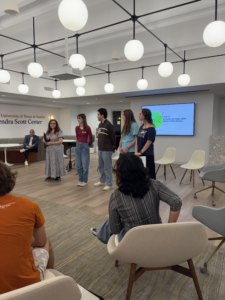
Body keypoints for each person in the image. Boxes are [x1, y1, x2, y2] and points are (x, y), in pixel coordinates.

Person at [91, 153, 182, 244]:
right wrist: (169, 229)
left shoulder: (116, 196)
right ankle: (100, 231)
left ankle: (101, 233)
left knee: (115, 219)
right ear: (141, 168)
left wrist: (123, 219)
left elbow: (115, 230)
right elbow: (176, 202)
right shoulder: (154, 185)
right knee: (118, 217)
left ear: (120, 173)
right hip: (156, 235)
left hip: (132, 243)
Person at [0, 161, 54, 295]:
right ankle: (48, 284)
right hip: (25, 288)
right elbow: (40, 242)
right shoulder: (29, 205)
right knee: (47, 242)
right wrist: (24, 238)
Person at [94, 108, 116, 191]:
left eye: (98, 114)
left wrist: (114, 146)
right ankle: (102, 181)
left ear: (102, 115)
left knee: (107, 167)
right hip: (100, 149)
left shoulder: (109, 125)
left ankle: (109, 184)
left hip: (107, 149)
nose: (97, 116)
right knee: (101, 166)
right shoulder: (100, 125)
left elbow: (113, 137)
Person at [135, 108, 156, 180]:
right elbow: (137, 140)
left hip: (147, 154)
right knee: (141, 173)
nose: (138, 115)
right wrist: (136, 152)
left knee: (149, 174)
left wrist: (141, 152)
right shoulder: (141, 127)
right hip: (140, 154)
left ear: (145, 115)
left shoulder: (151, 128)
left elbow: (149, 142)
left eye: (140, 114)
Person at [75, 114, 93, 187]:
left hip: (85, 146)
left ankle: (85, 180)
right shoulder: (77, 128)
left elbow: (91, 138)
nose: (78, 120)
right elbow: (77, 136)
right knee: (78, 165)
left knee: (85, 165)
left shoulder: (88, 128)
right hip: (78, 146)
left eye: (79, 118)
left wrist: (87, 146)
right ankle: (80, 180)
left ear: (83, 119)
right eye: (78, 118)